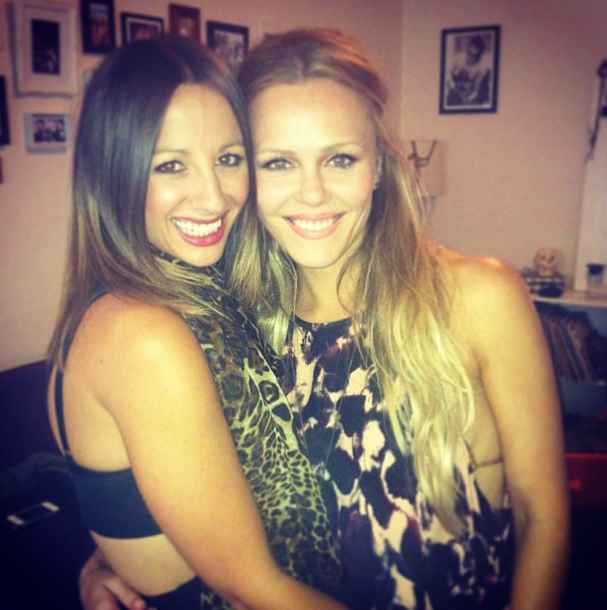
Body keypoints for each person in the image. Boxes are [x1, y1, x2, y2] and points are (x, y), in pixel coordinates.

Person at [80, 28, 571, 610]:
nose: (312, 194)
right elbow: (195, 494)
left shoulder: (478, 297)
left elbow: (544, 515)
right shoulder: (239, 321)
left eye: (340, 158)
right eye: (278, 162)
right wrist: (111, 555)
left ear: (378, 165)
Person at [46, 35, 345, 610]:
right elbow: (253, 587)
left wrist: (105, 556)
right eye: (170, 166)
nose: (213, 198)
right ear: (114, 173)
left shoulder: (186, 294)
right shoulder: (142, 336)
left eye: (228, 159)